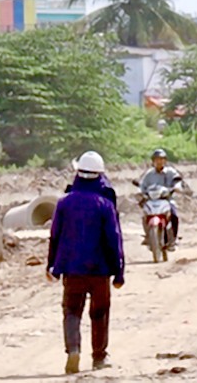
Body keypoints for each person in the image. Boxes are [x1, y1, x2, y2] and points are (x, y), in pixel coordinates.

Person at [47, 150, 125, 375]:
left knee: (71, 310)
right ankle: (99, 357)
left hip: (72, 270)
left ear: (78, 173)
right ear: (100, 175)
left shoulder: (64, 203)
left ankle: (73, 349)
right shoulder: (105, 203)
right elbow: (114, 239)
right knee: (99, 312)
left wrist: (51, 266)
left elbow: (55, 235)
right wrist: (119, 272)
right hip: (100, 271)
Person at [138, 148, 184, 247]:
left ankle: (174, 238)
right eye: (157, 159)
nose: (160, 162)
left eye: (162, 159)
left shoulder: (171, 172)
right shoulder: (149, 174)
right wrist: (140, 192)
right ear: (153, 161)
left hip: (167, 200)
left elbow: (177, 181)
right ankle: (148, 235)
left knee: (174, 215)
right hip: (152, 200)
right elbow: (143, 185)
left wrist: (177, 187)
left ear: (165, 160)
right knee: (144, 214)